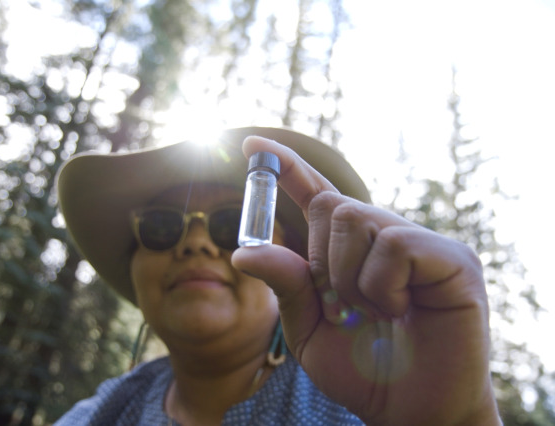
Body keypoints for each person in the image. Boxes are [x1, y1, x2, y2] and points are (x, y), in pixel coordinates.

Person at [55, 127, 501, 425]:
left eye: (231, 225)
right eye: (161, 226)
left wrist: (464, 420)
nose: (195, 244)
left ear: (297, 262)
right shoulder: (99, 414)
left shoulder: (360, 405)